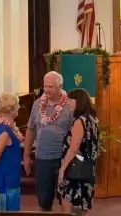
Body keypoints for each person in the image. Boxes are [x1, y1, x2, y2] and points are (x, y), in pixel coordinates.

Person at [24, 72, 73, 212]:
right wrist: (26, 155)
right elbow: (31, 129)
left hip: (63, 159)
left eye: (51, 87)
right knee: (44, 201)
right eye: (45, 86)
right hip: (42, 158)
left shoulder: (69, 104)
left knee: (66, 199)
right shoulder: (37, 104)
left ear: (60, 87)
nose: (47, 90)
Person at [57, 89, 99, 215]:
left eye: (71, 100)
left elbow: (74, 148)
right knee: (82, 207)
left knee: (68, 205)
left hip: (74, 171)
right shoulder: (93, 120)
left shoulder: (79, 121)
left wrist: (62, 169)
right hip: (86, 169)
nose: (68, 103)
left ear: (79, 102)